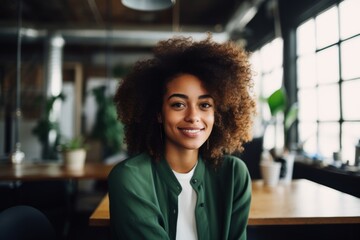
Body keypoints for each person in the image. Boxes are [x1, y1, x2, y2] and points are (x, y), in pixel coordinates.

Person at [109, 34, 256, 240]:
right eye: (178, 104)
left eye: (204, 105)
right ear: (158, 113)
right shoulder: (129, 178)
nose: (193, 117)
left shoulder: (234, 175)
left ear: (217, 114)